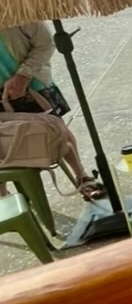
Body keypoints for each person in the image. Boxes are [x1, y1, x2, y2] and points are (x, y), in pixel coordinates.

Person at [0, 23, 106, 201]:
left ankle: (81, 176)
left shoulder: (13, 7)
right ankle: (5, 199)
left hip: (30, 82)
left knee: (57, 133)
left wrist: (23, 76)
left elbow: (46, 43)